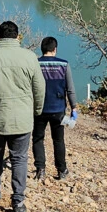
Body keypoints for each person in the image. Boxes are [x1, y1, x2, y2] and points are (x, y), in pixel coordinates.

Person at [0, 21, 44, 212]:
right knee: (19, 158)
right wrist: (37, 110)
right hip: (22, 119)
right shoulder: (30, 57)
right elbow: (39, 88)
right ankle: (18, 201)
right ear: (17, 37)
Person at [33, 36, 77, 181]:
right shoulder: (64, 65)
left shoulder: (35, 64)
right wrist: (74, 107)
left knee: (38, 138)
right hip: (58, 110)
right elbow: (70, 89)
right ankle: (62, 170)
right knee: (58, 140)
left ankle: (40, 169)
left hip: (39, 108)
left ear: (42, 49)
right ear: (55, 49)